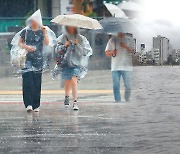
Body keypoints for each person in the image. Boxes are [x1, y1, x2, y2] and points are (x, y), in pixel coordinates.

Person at [11, 10, 56, 112]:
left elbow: (47, 43)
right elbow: (19, 43)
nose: (32, 22)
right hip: (27, 59)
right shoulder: (26, 31)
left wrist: (44, 32)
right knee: (27, 81)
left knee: (37, 82)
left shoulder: (42, 31)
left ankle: (36, 105)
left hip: (38, 59)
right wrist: (27, 47)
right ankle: (28, 104)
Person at [54, 26, 92, 110]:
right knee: (67, 82)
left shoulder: (81, 38)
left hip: (77, 64)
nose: (71, 28)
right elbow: (57, 49)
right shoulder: (63, 37)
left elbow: (86, 52)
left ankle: (75, 101)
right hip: (65, 63)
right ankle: (67, 97)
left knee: (74, 80)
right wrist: (65, 45)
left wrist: (77, 45)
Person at [105, 33, 135, 102]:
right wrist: (112, 52)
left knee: (128, 86)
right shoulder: (112, 40)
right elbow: (106, 52)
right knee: (116, 86)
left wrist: (126, 47)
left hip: (127, 67)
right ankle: (117, 101)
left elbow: (133, 51)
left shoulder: (129, 40)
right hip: (115, 67)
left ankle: (127, 99)